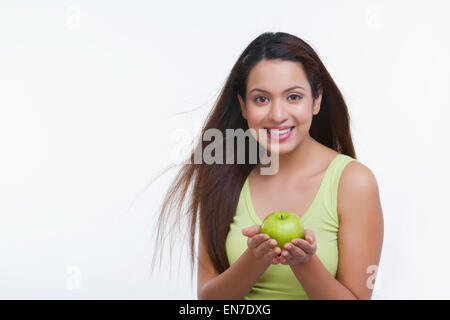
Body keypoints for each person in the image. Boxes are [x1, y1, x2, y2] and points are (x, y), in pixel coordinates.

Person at [150, 32, 384, 300]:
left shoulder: (353, 182)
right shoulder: (221, 175)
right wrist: (254, 258)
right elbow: (207, 300)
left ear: (316, 99)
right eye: (261, 99)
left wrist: (304, 263)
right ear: (244, 106)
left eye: (293, 97)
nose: (277, 115)